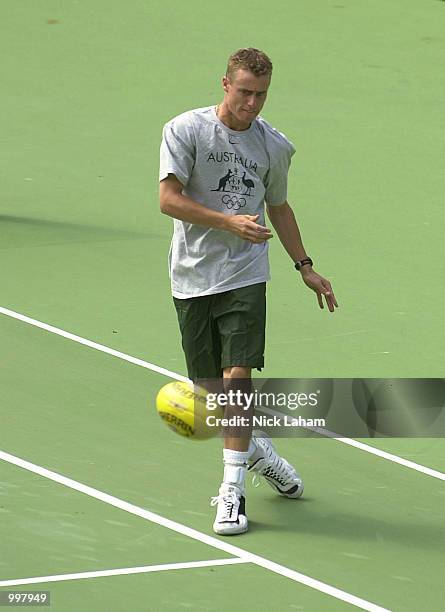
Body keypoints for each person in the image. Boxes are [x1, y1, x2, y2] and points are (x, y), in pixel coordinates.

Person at [159, 47, 338, 535]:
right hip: (193, 274)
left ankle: (232, 494)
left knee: (238, 378)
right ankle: (257, 450)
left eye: (261, 95)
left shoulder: (273, 146)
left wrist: (305, 265)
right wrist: (228, 222)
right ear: (224, 84)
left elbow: (278, 206)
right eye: (244, 92)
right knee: (211, 395)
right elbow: (168, 200)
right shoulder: (185, 130)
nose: (253, 104)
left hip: (245, 274)